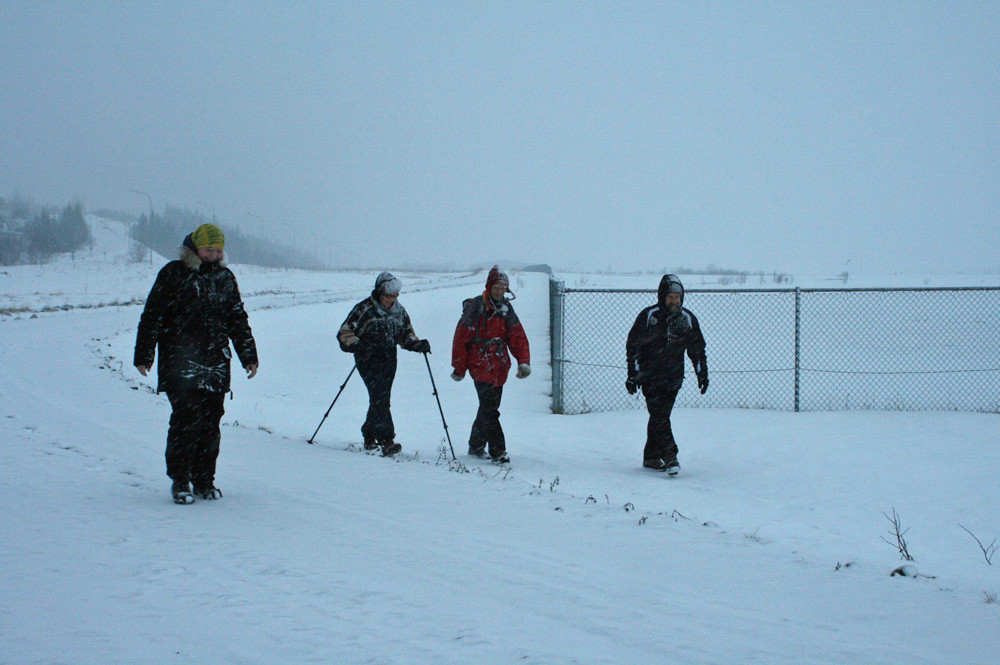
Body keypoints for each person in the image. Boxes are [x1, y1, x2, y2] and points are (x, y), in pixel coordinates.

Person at [134, 223, 259, 504]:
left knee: (210, 423)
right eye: (207, 249)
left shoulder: (225, 278)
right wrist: (144, 354)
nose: (213, 255)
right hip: (180, 361)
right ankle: (180, 480)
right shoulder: (173, 274)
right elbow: (152, 316)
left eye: (218, 250)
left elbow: (237, 319)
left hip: (216, 363)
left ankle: (204, 480)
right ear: (194, 247)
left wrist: (248, 356)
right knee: (186, 421)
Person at [338, 272, 430, 456]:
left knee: (380, 397)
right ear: (379, 292)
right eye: (388, 296)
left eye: (395, 296)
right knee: (380, 396)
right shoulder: (364, 309)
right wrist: (359, 345)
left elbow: (406, 334)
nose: (391, 300)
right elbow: (344, 333)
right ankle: (387, 440)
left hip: (389, 358)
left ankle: (369, 434)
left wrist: (417, 344)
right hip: (367, 358)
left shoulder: (399, 311)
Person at [625, 273, 707, 475]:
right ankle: (671, 455)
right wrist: (633, 374)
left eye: (677, 297)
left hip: (674, 378)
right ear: (662, 296)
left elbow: (697, 350)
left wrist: (702, 374)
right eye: (670, 297)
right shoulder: (649, 316)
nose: (674, 301)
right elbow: (633, 346)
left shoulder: (687, 319)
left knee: (660, 416)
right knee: (659, 415)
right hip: (649, 377)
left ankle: (651, 457)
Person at [451, 266, 530, 464]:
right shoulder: (475, 307)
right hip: (479, 364)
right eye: (496, 287)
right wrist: (460, 367)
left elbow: (516, 336)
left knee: (488, 408)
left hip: (500, 364)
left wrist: (523, 362)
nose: (500, 291)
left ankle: (476, 445)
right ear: (489, 286)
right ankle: (498, 451)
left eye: (503, 288)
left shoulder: (506, 308)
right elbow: (461, 338)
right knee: (490, 409)